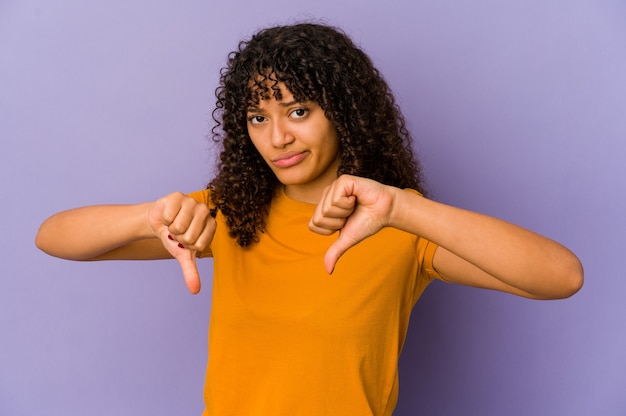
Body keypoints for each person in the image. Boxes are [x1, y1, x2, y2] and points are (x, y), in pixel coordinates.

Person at [35, 23, 583, 416]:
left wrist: (402, 207)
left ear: (344, 112)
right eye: (258, 117)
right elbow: (53, 237)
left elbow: (561, 276)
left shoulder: (395, 226)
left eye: (299, 111)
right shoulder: (229, 213)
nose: (277, 138)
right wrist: (146, 215)